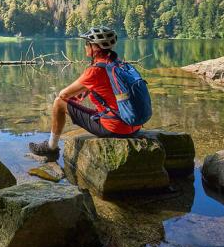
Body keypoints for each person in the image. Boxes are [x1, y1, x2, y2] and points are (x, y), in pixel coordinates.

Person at [29, 26, 141, 159]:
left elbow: (63, 95)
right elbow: (107, 86)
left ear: (95, 47)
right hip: (134, 125)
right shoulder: (118, 63)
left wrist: (78, 93)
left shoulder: (95, 70)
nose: (85, 46)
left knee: (58, 102)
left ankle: (51, 147)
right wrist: (88, 89)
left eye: (87, 43)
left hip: (114, 127)